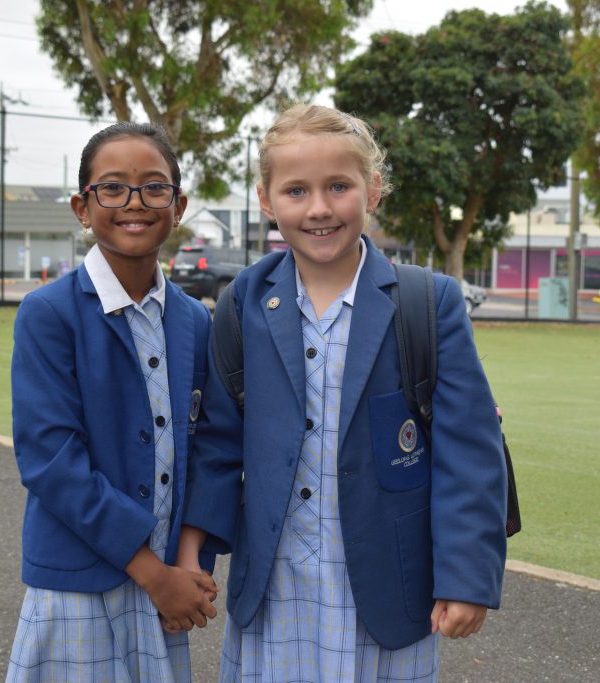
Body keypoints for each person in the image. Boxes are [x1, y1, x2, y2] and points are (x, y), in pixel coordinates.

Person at [177, 104, 508, 681]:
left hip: (388, 596)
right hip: (273, 597)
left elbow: (468, 450)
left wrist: (468, 577)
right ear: (266, 199)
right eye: (297, 190)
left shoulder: (428, 303)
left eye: (339, 186)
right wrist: (190, 557)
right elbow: (218, 447)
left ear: (372, 189)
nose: (320, 208)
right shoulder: (242, 304)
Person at [5, 122, 219, 683]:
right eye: (112, 187)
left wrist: (187, 564)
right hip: (81, 584)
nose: (134, 203)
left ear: (179, 205)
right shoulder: (49, 313)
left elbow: (208, 447)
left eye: (154, 187)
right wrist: (153, 573)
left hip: (164, 588)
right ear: (82, 206)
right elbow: (51, 462)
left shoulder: (196, 320)